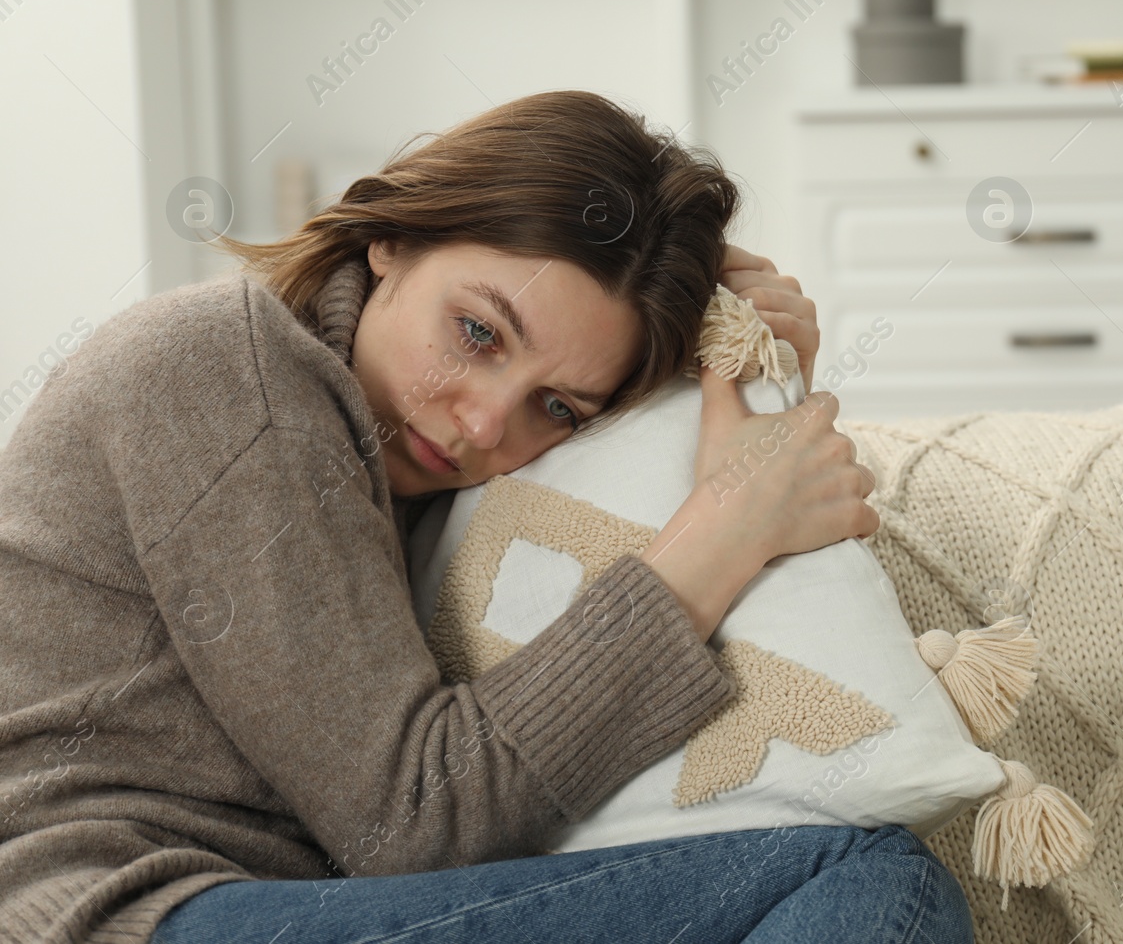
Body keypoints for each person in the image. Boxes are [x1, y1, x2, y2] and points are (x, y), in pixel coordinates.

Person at [0, 92, 975, 944]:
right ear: (391, 237)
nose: (479, 421)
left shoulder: (398, 472)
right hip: (120, 913)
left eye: (556, 407)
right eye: (475, 332)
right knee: (858, 875)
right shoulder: (227, 368)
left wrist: (739, 358)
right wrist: (720, 531)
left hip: (248, 906)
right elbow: (410, 824)